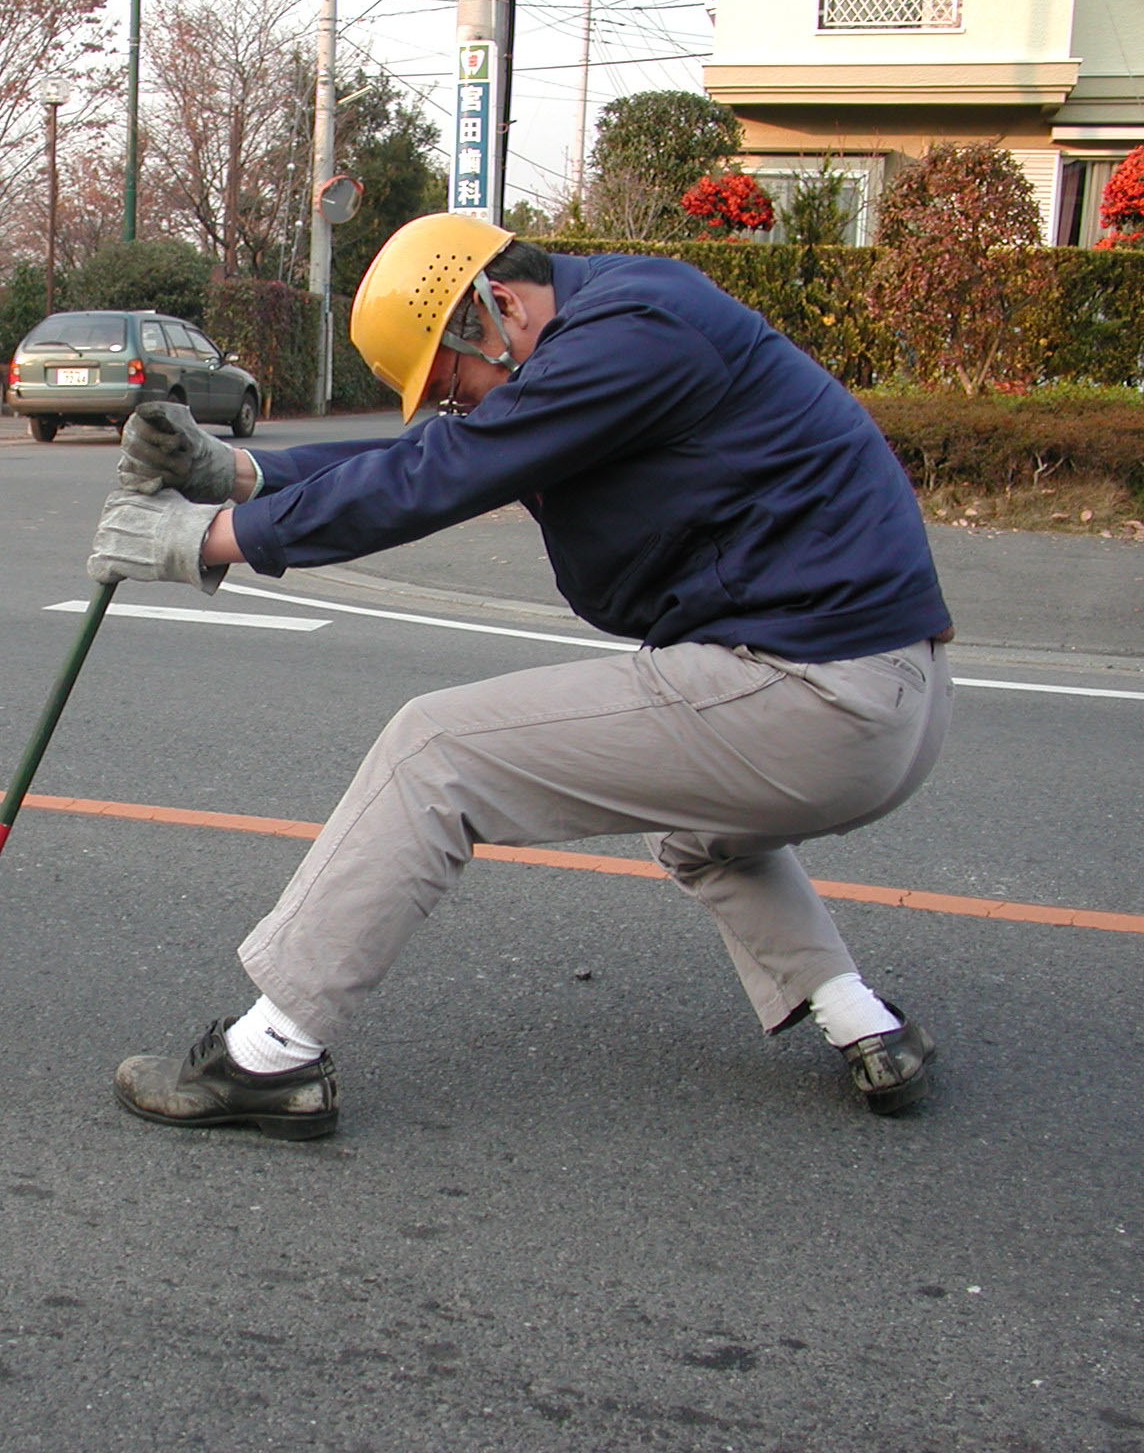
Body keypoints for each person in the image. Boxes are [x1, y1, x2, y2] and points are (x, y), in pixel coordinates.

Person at [86, 212, 953, 1140]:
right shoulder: (617, 318)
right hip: (874, 697)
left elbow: (446, 469)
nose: (461, 409)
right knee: (703, 831)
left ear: (491, 308)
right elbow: (428, 453)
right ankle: (865, 1023)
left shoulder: (633, 335)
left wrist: (205, 539)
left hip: (816, 695)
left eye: (454, 385)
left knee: (435, 748)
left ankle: (270, 1057)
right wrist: (239, 470)